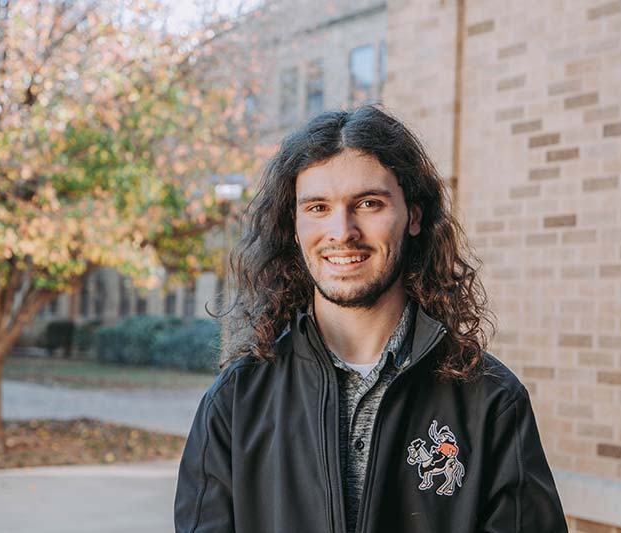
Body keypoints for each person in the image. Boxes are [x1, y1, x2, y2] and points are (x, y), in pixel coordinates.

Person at [174, 106, 568, 533]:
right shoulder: (235, 403)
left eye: (368, 203)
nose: (342, 231)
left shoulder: (490, 401)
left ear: (413, 216)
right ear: (294, 226)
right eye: (318, 208)